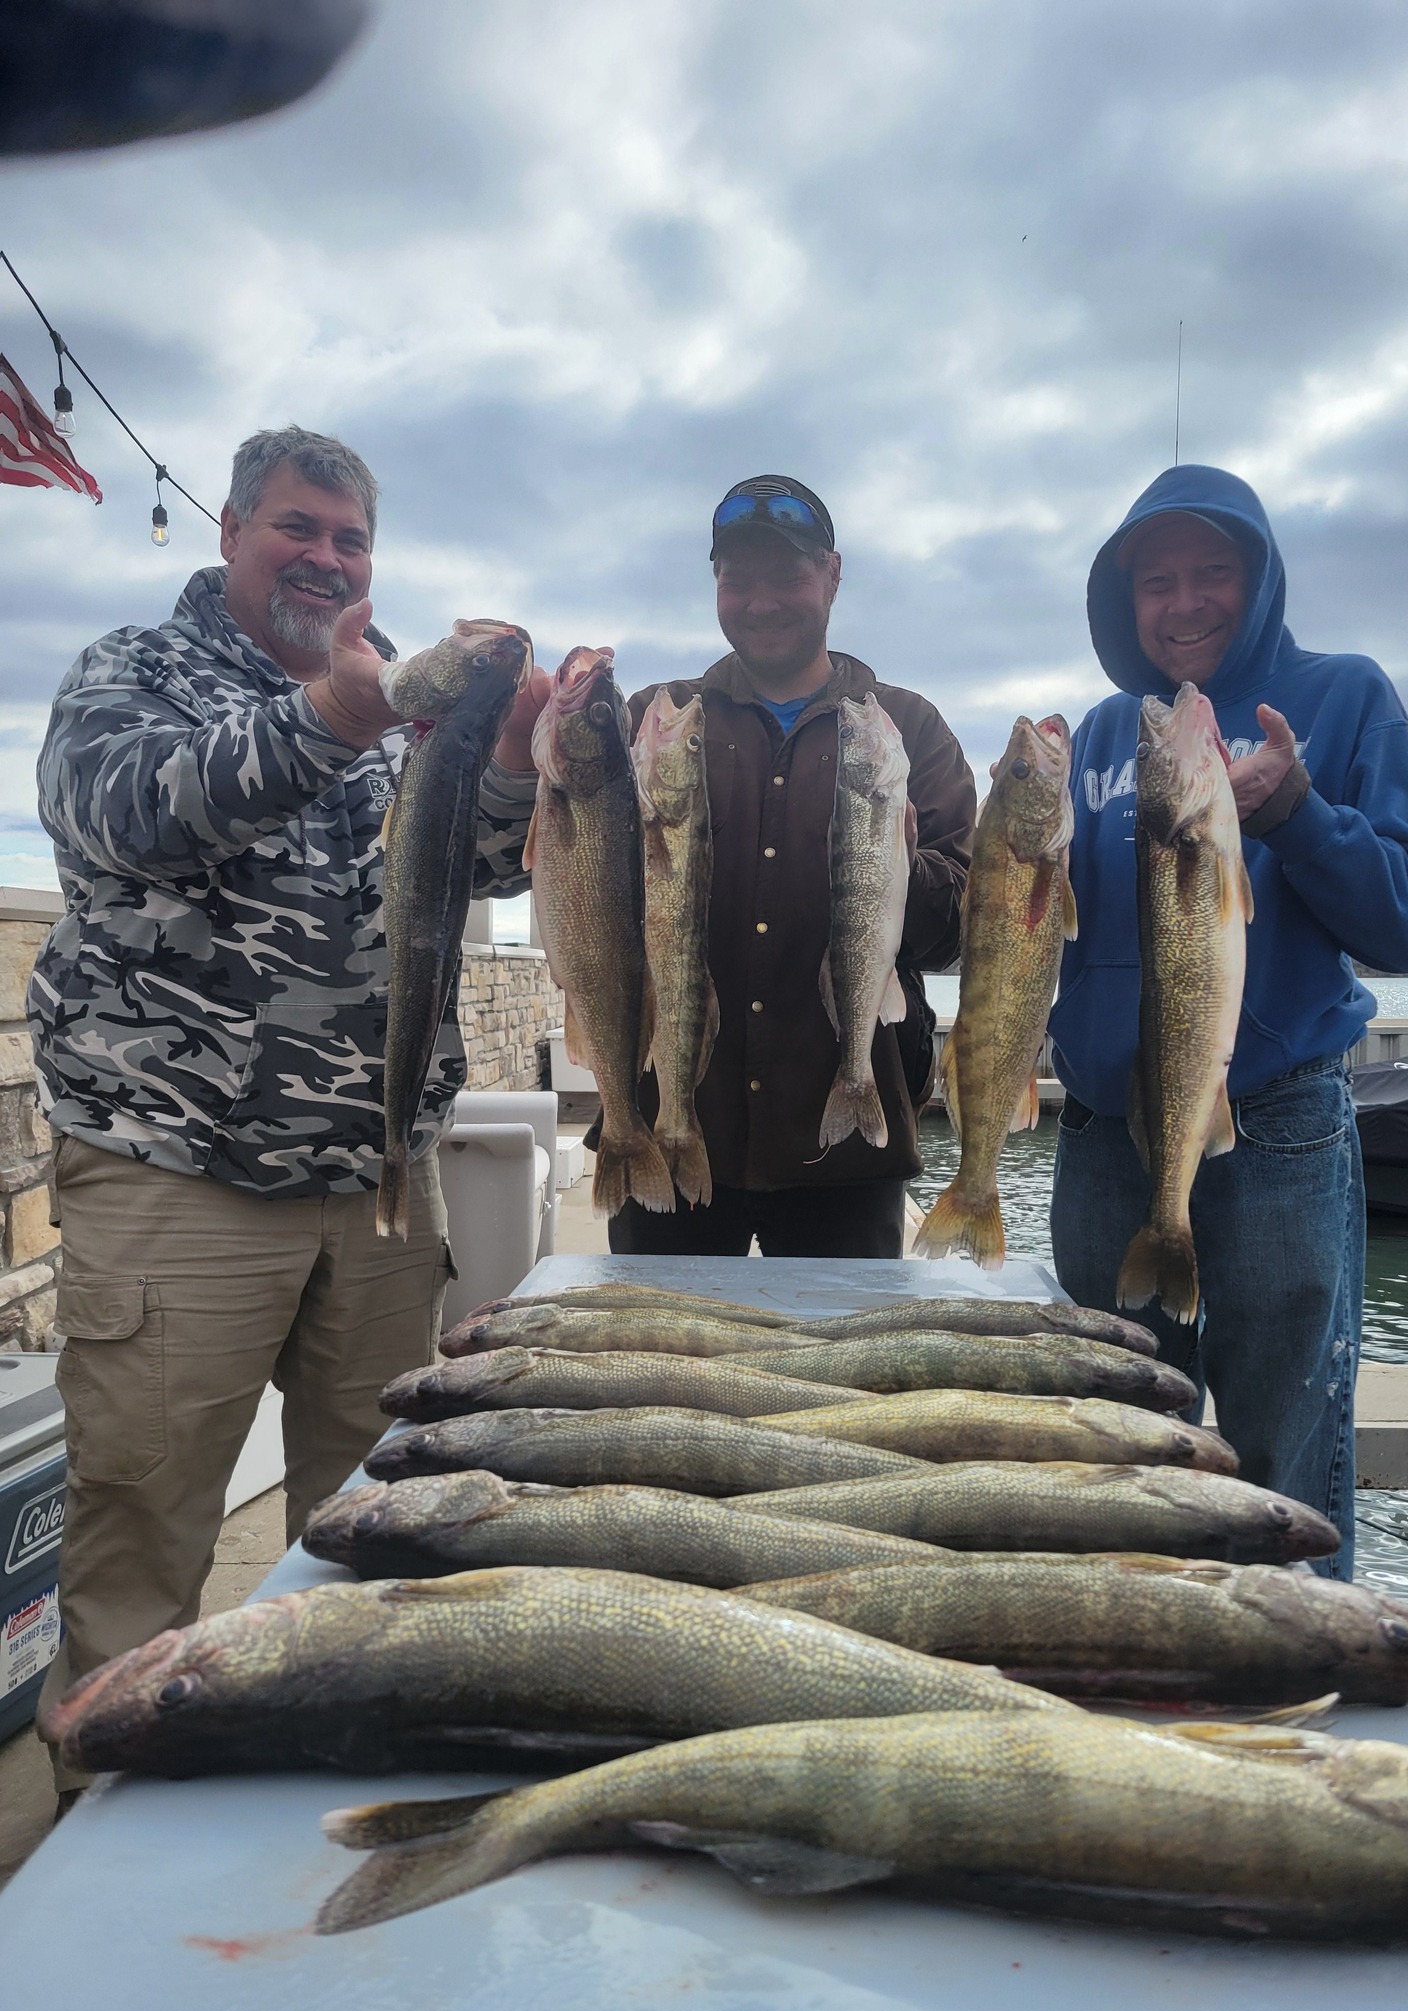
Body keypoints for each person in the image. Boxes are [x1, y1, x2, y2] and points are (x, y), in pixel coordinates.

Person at [29, 425, 542, 1788]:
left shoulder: (392, 713)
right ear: (231, 532)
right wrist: (330, 720)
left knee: (377, 1515)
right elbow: (130, 816)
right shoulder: (131, 675)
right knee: (145, 1526)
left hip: (372, 1186)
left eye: (351, 539)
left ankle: (335, 1793)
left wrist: (518, 757)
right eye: (298, 528)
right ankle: (115, 1828)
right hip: (173, 1178)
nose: (326, 558)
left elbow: (479, 856)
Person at [1048, 464, 1408, 1577]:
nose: (1185, 604)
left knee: (1284, 1454)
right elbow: (1051, 929)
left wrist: (1301, 814)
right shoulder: (1095, 736)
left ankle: (1302, 1694)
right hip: (1099, 1145)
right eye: (1157, 582)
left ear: (1261, 577)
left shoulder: (1342, 697)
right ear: (1123, 604)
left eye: (1213, 572)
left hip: (1276, 1132)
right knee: (1108, 1447)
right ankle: (1132, 1687)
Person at [607, 475, 975, 1258]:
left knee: (840, 1377)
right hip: (669, 1130)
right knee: (664, 1375)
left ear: (834, 575)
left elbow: (961, 934)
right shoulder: (656, 721)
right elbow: (582, 873)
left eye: (788, 576)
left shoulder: (906, 728)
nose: (761, 601)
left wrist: (907, 872)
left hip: (845, 1155)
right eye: (738, 580)